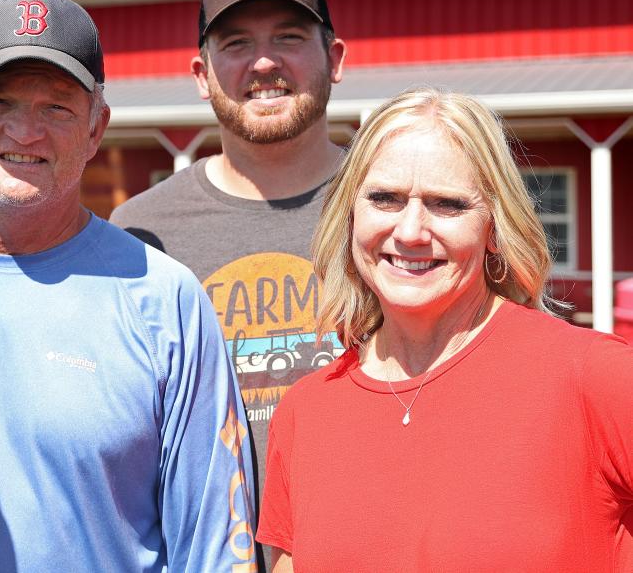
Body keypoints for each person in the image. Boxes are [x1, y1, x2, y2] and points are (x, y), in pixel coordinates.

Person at [0, 0, 255, 572]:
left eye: (57, 108)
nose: (25, 131)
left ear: (96, 128)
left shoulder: (165, 300)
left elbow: (215, 546)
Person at [255, 87, 633, 571]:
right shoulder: (307, 411)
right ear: (350, 216)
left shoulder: (591, 378)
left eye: (448, 204)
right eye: (385, 198)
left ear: (494, 228)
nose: (411, 231)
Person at [110, 0, 347, 530]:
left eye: (289, 37)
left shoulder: (397, 208)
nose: (263, 63)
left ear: (334, 58)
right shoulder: (140, 235)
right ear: (201, 75)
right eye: (236, 44)